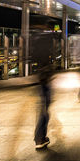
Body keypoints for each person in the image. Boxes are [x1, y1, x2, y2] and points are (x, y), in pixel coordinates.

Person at [30, 18, 59, 149]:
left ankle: (39, 137)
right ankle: (40, 138)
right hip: (45, 77)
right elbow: (57, 36)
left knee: (44, 107)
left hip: (41, 75)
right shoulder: (46, 37)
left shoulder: (36, 38)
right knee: (45, 109)